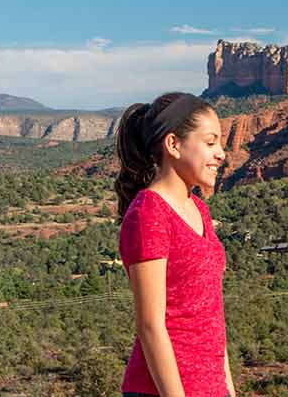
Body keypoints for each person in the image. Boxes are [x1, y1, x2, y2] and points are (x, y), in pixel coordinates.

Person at [113, 92, 234, 397]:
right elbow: (151, 326)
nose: (221, 153)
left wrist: (227, 389)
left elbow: (211, 317)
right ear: (173, 145)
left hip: (210, 387)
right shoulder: (148, 213)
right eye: (210, 143)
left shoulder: (199, 209)